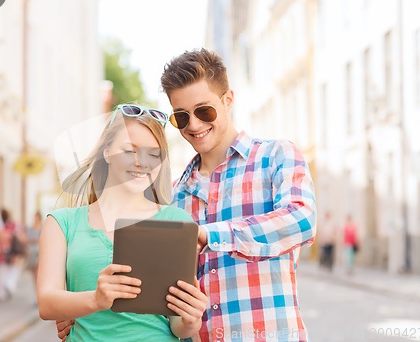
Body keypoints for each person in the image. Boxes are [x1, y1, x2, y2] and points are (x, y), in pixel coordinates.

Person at [57, 48, 317, 341]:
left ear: (228, 99)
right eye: (182, 116)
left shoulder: (276, 156)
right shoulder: (172, 198)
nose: (194, 125)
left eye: (204, 111)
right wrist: (82, 308)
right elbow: (147, 286)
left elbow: (302, 221)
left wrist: (209, 235)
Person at [38, 104, 207, 341]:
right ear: (106, 152)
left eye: (154, 154)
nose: (142, 162)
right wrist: (95, 299)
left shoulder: (176, 222)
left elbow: (178, 325)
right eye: (130, 150)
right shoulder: (62, 223)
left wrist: (191, 319)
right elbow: (46, 303)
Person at [0, 208, 26, 300]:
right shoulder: (13, 225)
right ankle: (9, 285)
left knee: (2, 272)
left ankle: (2, 291)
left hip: (1, 252)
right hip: (13, 252)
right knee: (13, 269)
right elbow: (21, 237)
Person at [26, 211, 42, 291]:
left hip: (39, 252)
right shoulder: (30, 228)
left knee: (37, 273)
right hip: (32, 252)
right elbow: (26, 239)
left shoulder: (42, 227)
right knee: (34, 274)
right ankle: (36, 292)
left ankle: (39, 292)